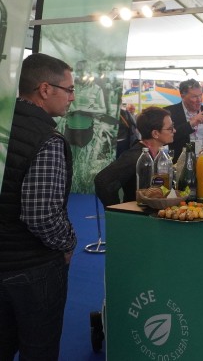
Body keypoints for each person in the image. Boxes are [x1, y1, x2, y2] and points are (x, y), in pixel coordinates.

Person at [0, 53, 78, 359]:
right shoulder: (47, 139)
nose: (72, 97)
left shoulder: (5, 125)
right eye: (69, 89)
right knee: (39, 348)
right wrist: (68, 242)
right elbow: (41, 214)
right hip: (32, 266)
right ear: (45, 89)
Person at [95, 107, 176, 207]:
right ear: (155, 133)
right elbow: (102, 181)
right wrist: (117, 210)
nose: (174, 130)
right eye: (170, 128)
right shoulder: (134, 156)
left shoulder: (160, 154)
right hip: (137, 215)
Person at [165, 79, 203, 170]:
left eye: (200, 95)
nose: (199, 100)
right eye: (194, 97)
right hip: (181, 165)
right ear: (183, 96)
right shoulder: (170, 112)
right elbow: (167, 138)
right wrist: (190, 124)